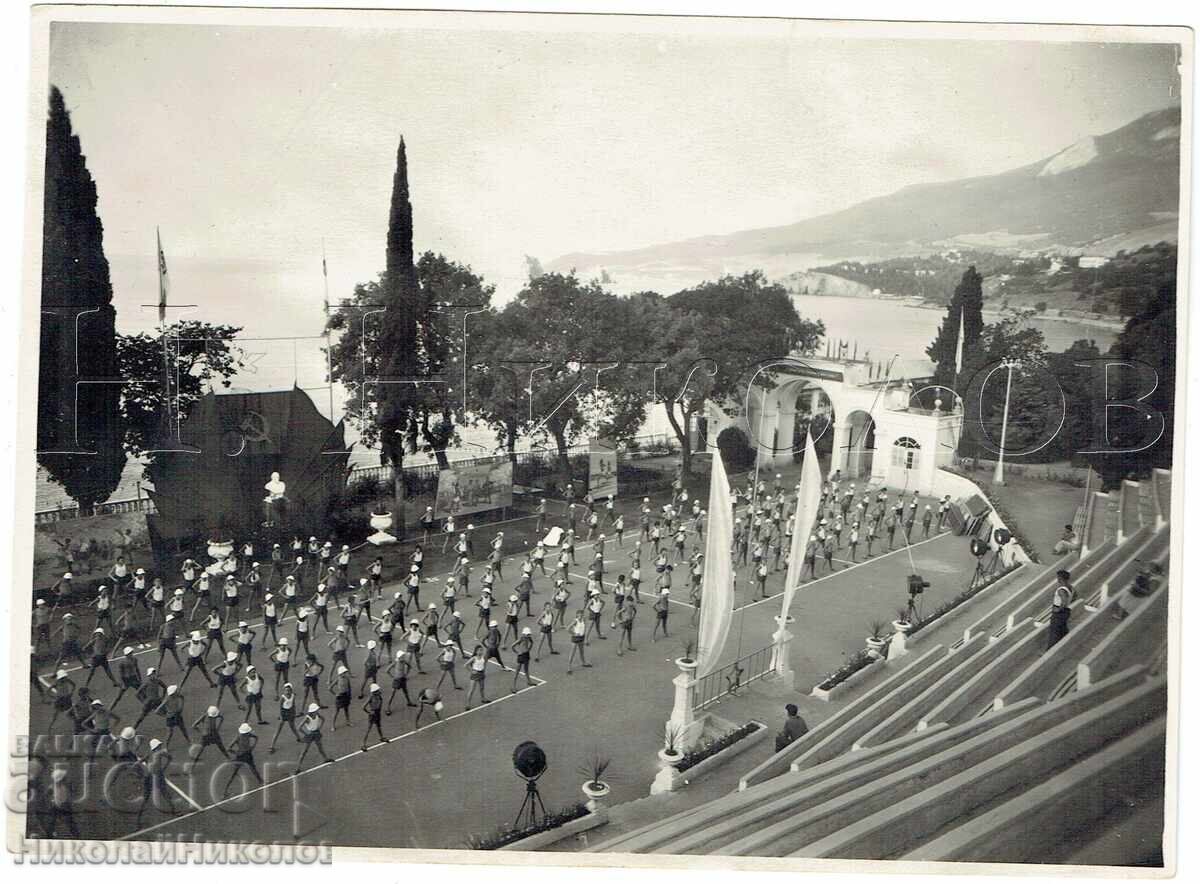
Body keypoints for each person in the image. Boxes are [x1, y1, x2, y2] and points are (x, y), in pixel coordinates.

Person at [223, 723, 263, 795]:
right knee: (253, 768)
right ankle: (261, 781)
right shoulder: (248, 735)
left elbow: (228, 748)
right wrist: (252, 747)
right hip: (247, 755)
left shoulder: (239, 737)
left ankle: (226, 790)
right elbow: (256, 738)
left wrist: (236, 753)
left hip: (241, 756)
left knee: (235, 773)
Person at [295, 704, 335, 772]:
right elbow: (299, 727)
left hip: (316, 733)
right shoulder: (307, 718)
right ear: (312, 711)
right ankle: (297, 768)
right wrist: (306, 733)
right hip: (310, 734)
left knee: (320, 747)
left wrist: (319, 727)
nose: (317, 710)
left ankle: (326, 759)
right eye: (316, 710)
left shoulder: (317, 715)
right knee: (304, 751)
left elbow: (323, 719)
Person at [1047, 569, 1075, 649]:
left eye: (1058, 577)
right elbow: (1075, 596)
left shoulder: (1061, 590)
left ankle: (1050, 650)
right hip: (1066, 611)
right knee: (1063, 629)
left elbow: (1064, 601)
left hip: (1059, 612)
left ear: (1060, 578)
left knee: (1054, 631)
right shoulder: (1070, 587)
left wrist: (1059, 609)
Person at [268, 683, 300, 752]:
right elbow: (280, 707)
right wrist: (281, 716)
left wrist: (294, 713)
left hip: (290, 712)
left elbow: (293, 705)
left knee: (293, 727)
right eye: (286, 690)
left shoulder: (293, 696)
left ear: (291, 690)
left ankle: (299, 738)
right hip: (284, 713)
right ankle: (272, 745)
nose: (287, 692)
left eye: (289, 690)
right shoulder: (283, 697)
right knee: (278, 730)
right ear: (284, 691)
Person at [510, 627, 534, 692]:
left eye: (529, 634)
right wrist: (517, 652)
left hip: (526, 655)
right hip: (521, 656)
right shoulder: (521, 638)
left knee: (526, 669)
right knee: (517, 671)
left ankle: (529, 681)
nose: (528, 635)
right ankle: (513, 686)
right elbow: (512, 646)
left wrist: (529, 649)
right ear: (524, 634)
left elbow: (532, 643)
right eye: (527, 634)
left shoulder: (529, 638)